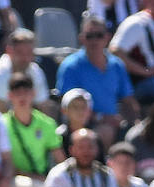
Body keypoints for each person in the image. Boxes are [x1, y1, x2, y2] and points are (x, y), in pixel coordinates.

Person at [56, 15, 137, 148]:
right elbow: (68, 106)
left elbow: (127, 99)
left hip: (114, 122)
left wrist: (135, 122)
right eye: (89, 36)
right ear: (82, 38)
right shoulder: (71, 66)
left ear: (107, 37)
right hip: (83, 123)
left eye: (98, 35)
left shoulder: (117, 65)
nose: (94, 41)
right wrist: (102, 118)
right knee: (105, 131)